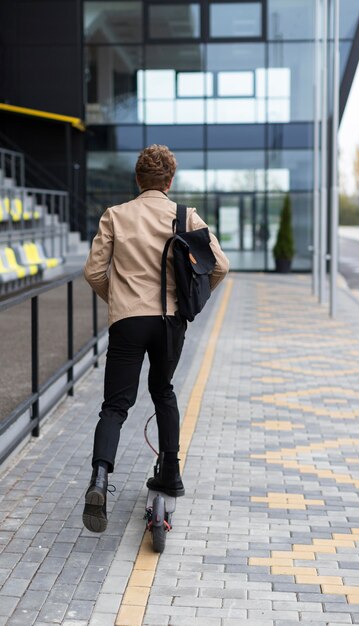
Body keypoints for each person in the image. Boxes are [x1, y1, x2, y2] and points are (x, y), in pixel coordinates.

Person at [82, 144, 229, 533]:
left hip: (127, 321)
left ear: (137, 179)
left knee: (114, 406)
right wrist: (189, 305)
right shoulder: (185, 216)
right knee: (163, 391)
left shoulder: (115, 216)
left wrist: (119, 302)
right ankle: (170, 473)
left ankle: (99, 480)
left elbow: (94, 272)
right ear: (169, 181)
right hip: (168, 321)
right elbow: (220, 267)